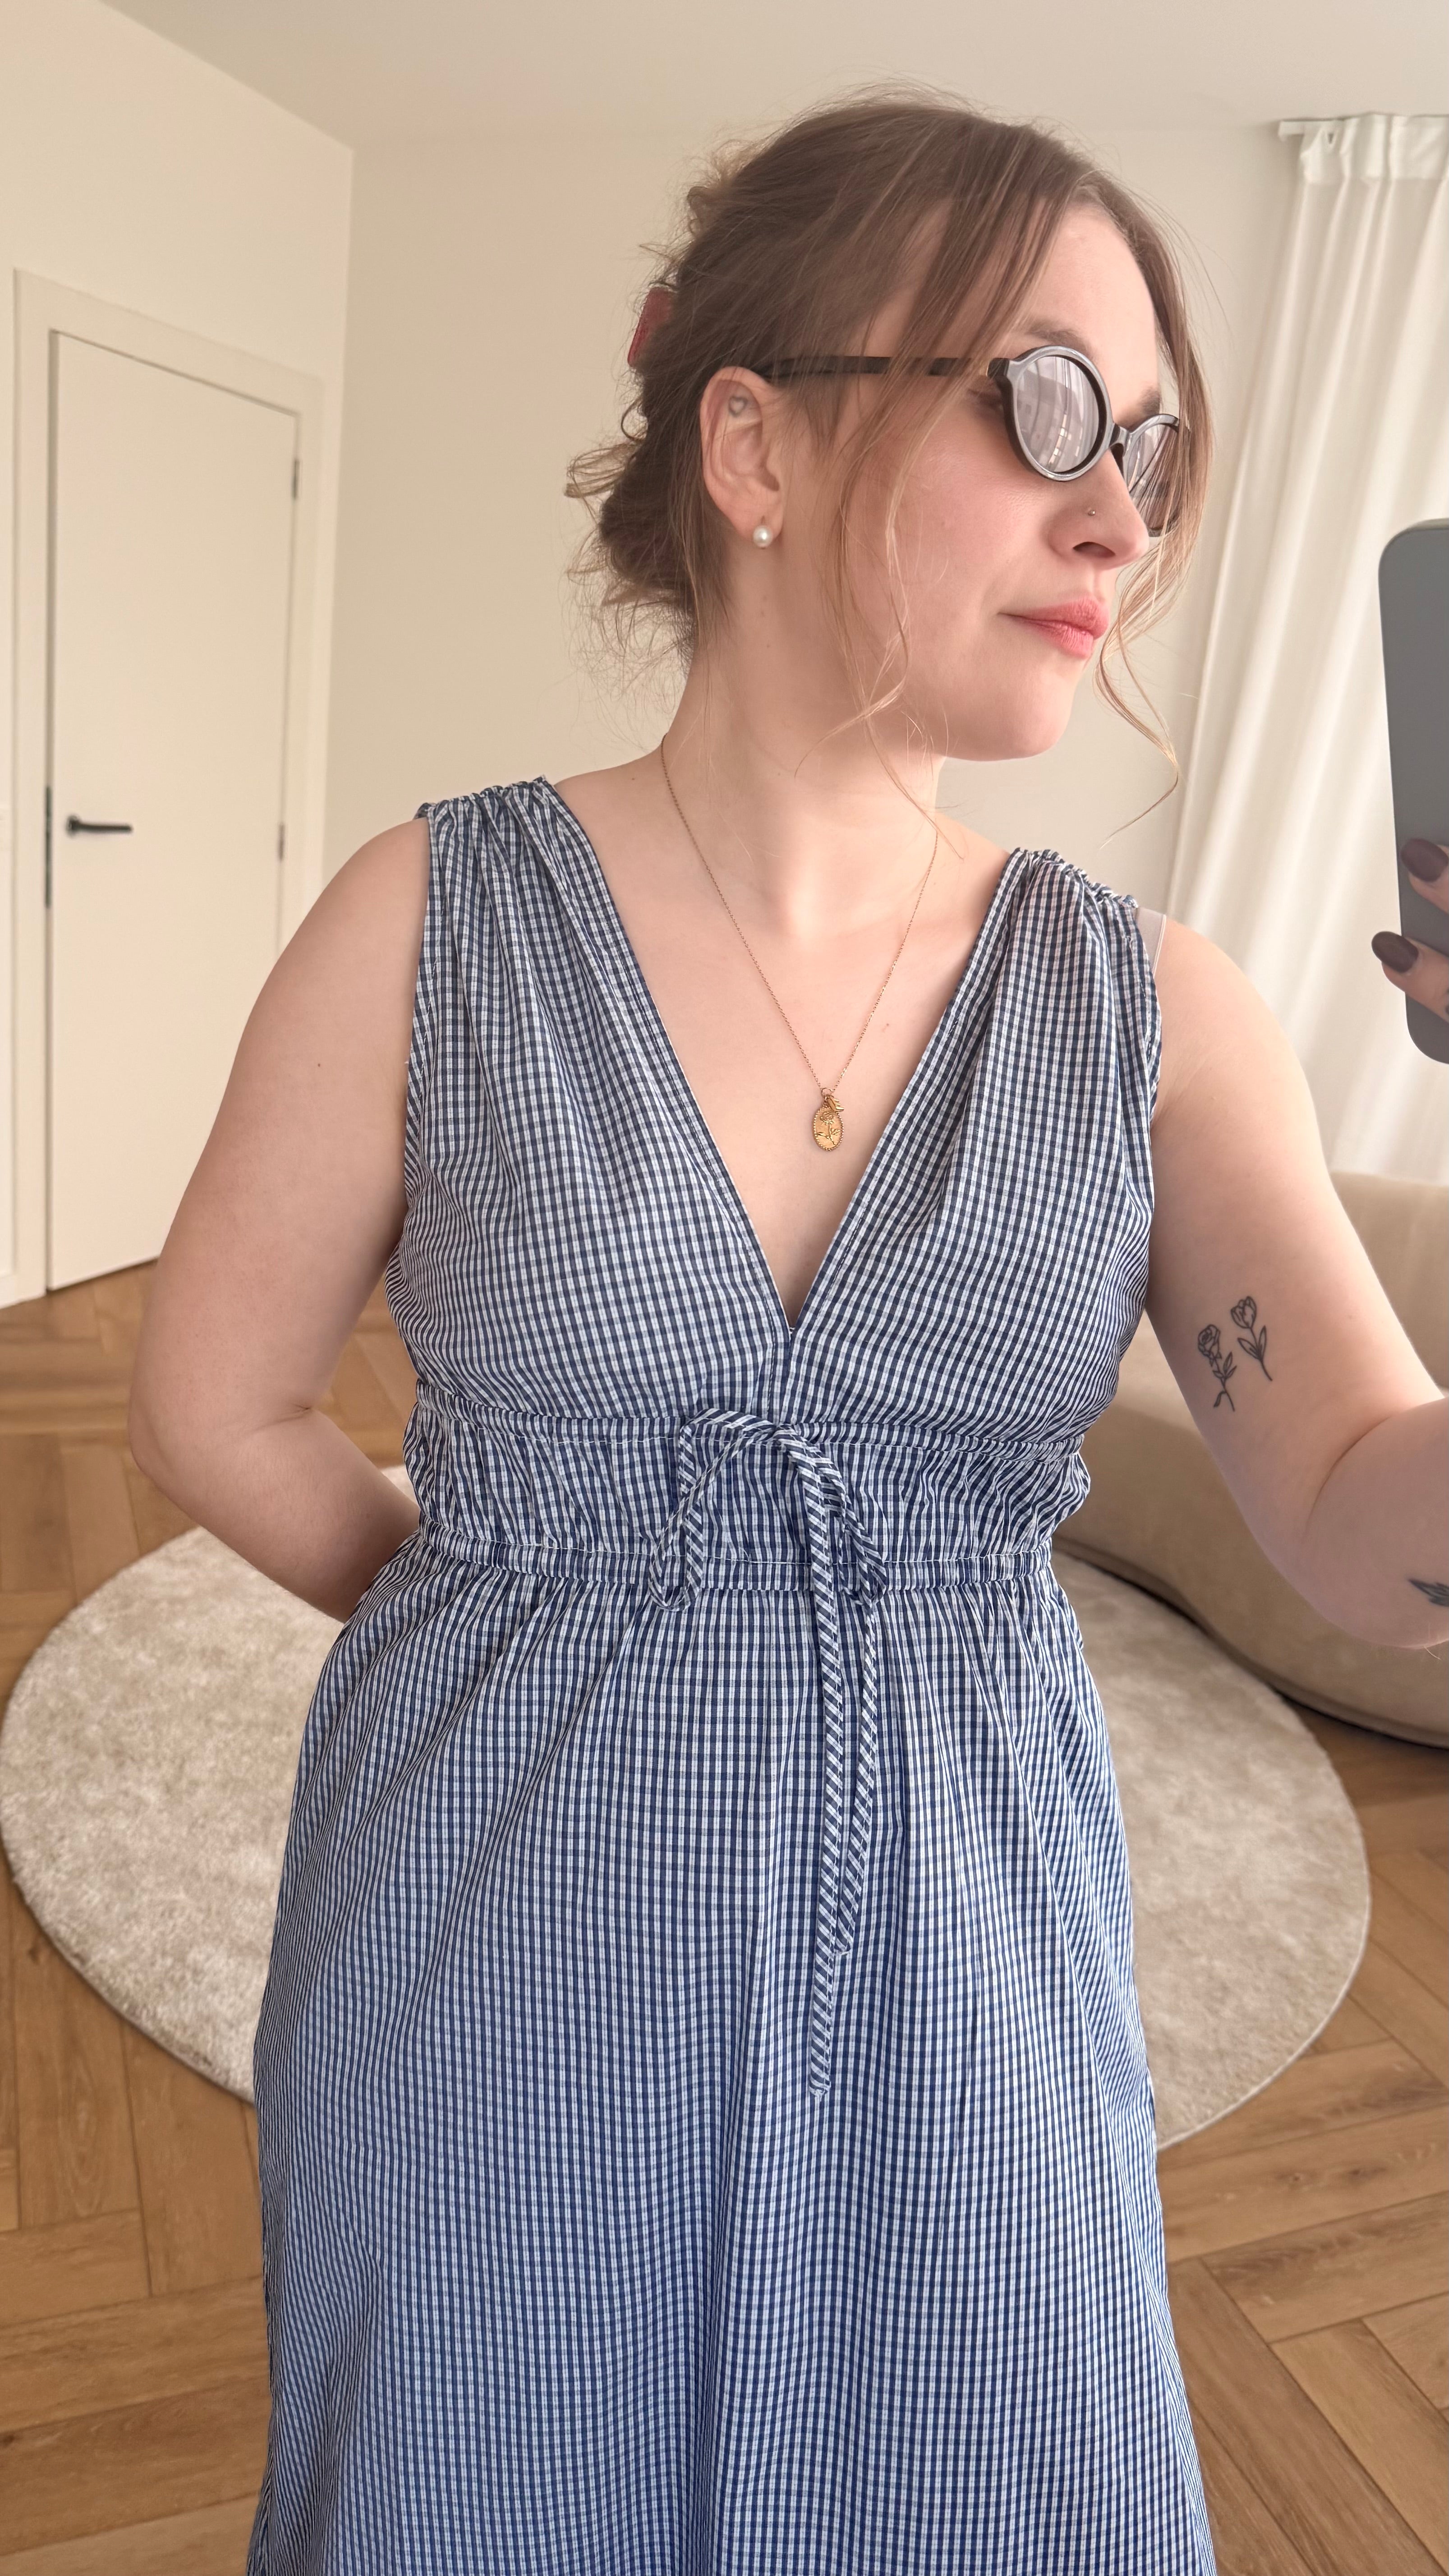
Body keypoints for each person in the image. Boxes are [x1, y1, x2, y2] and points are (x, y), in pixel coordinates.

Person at [129, 86, 1449, 2576]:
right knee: (475, 2495)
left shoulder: (1151, 1014)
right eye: (1046, 408)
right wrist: (508, 1619)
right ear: (751, 442)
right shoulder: (431, 920)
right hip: (491, 1964)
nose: (1121, 518)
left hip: (966, 1980)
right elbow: (211, 1405)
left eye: (1154, 450)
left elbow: (1376, 1526)